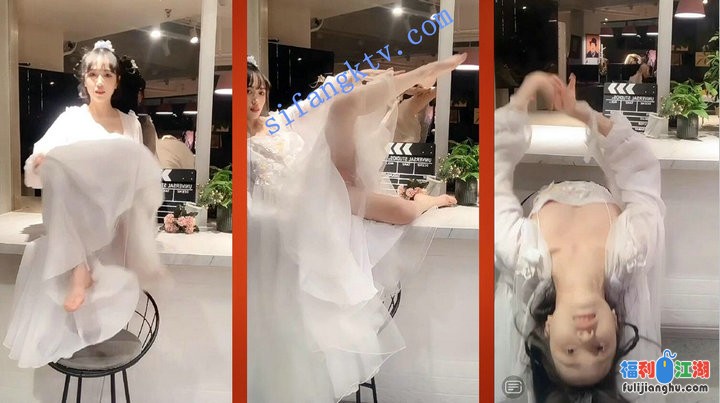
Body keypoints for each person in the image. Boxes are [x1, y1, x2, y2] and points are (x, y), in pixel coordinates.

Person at [247, 54, 465, 402]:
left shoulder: (277, 122)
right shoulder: (245, 141)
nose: (255, 100)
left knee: (340, 104)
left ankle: (414, 81)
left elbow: (324, 97)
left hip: (317, 198)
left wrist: (371, 74)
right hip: (293, 219)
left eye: (260, 92)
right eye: (247, 92)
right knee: (344, 112)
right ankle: (426, 192)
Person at [494, 72, 664, 402]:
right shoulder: (633, 251)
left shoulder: (520, 254)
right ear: (615, 324)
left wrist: (525, 94)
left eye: (570, 351)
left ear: (547, 329)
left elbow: (495, 176)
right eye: (600, 348)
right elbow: (641, 171)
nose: (586, 338)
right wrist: (583, 113)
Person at [4, 40, 166, 369]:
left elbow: (139, 176)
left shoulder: (131, 124)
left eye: (107, 74)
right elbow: (36, 171)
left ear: (117, 81)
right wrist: (43, 163)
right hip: (78, 220)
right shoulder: (70, 120)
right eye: (93, 74)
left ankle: (86, 272)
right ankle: (79, 269)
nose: (100, 82)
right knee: (61, 167)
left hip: (115, 222)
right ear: (85, 81)